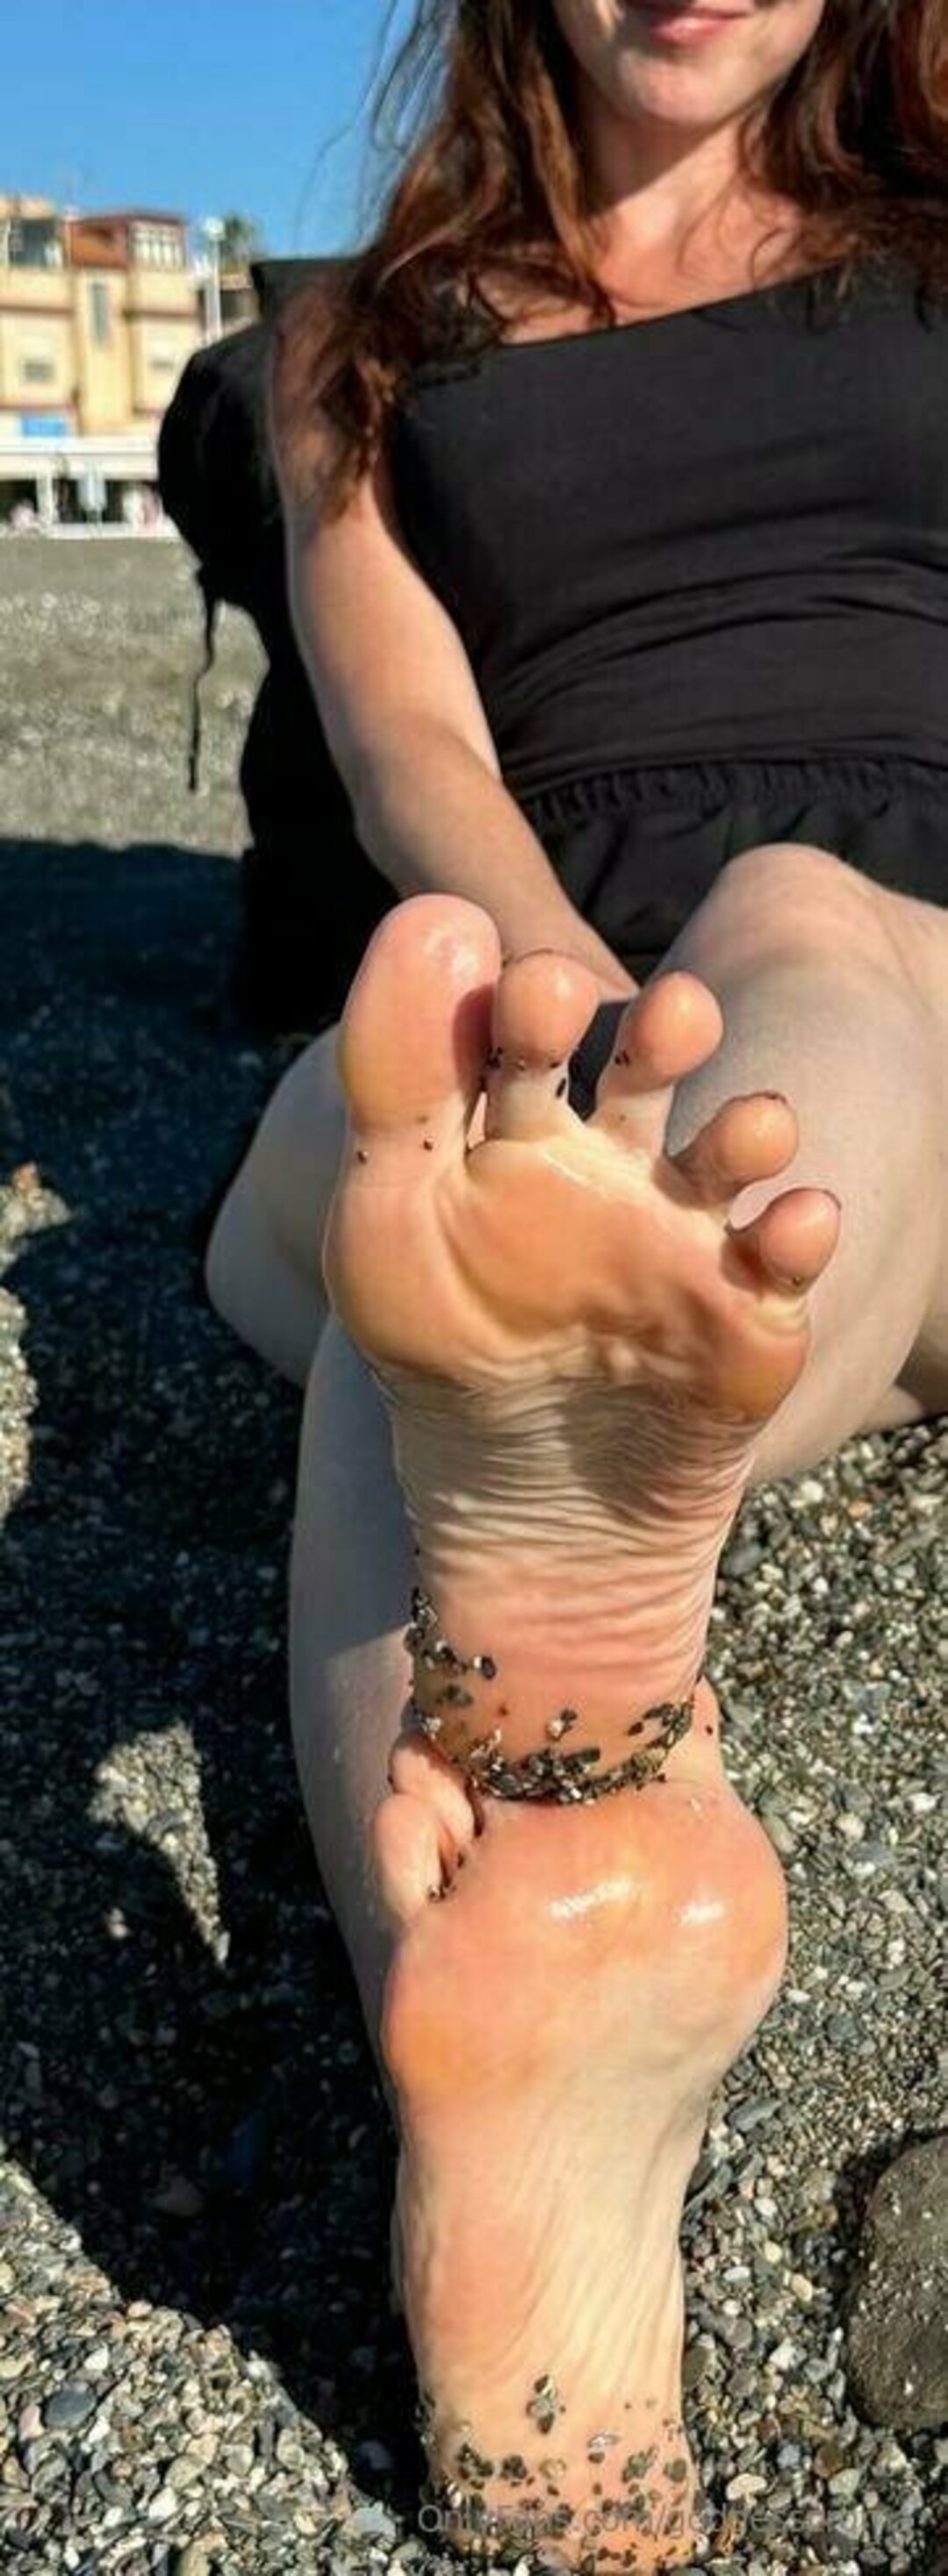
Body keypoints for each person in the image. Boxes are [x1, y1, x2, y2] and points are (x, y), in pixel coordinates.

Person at [205, 3, 948, 2565]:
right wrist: (563, 1001)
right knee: (432, 1185)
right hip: (547, 969)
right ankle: (524, 1944)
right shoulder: (355, 333)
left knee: (795, 952)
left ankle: (507, 1875)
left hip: (901, 979)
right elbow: (404, 734)